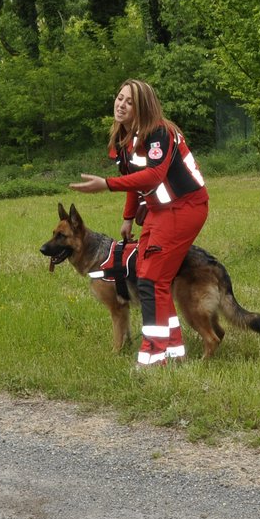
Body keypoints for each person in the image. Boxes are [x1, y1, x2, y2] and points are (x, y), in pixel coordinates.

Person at [69, 79, 208, 367]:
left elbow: (154, 176)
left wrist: (107, 184)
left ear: (142, 106)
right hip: (159, 210)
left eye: (129, 101)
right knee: (150, 276)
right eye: (119, 98)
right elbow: (135, 181)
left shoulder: (159, 133)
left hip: (186, 207)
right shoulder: (126, 138)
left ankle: (154, 356)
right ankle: (171, 352)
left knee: (151, 279)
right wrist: (128, 217)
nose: (121, 104)